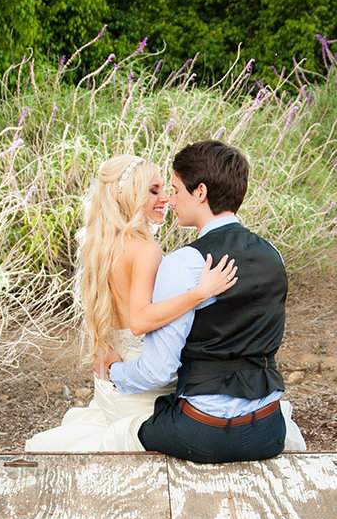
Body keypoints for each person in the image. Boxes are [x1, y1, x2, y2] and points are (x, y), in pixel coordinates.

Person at [102, 140, 305, 463]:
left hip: (203, 435)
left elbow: (157, 372)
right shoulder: (273, 255)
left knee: (118, 431)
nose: (172, 200)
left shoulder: (184, 263)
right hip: (268, 431)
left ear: (200, 192)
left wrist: (115, 371)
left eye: (176, 189)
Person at [25, 154, 237, 452]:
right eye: (154, 191)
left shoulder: (98, 245)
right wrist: (200, 293)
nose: (165, 198)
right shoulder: (145, 249)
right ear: (126, 196)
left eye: (165, 189)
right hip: (141, 387)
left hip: (108, 384)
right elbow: (141, 319)